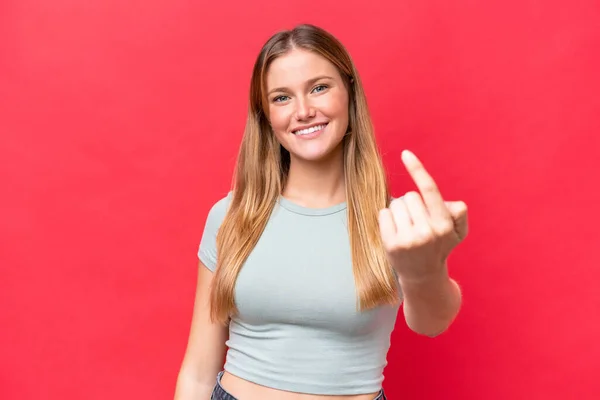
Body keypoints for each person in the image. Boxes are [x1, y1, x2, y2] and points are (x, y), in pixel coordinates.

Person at [174, 24, 468, 400]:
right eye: (281, 98)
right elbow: (198, 373)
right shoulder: (231, 215)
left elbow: (432, 322)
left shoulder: (395, 224)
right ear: (265, 115)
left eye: (319, 87)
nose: (303, 111)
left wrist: (425, 270)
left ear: (349, 93)